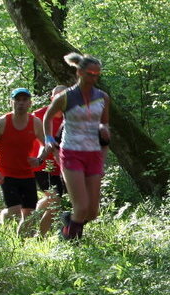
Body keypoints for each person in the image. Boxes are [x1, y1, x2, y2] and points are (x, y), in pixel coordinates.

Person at [49, 52, 112, 240]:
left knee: (92, 212)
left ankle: (69, 222)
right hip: (71, 153)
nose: (93, 77)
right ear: (79, 72)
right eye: (90, 73)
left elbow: (105, 124)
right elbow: (47, 117)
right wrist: (48, 139)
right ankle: (71, 243)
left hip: (93, 154)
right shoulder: (66, 97)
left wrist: (103, 129)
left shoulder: (103, 98)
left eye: (97, 74)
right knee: (81, 207)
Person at [0, 87, 51, 237]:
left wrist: (39, 159)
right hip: (6, 173)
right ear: (12, 102)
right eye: (17, 100)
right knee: (15, 211)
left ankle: (21, 243)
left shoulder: (35, 122)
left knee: (29, 214)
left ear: (30, 103)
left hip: (27, 174)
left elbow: (47, 145)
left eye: (24, 100)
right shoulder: (3, 122)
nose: (21, 103)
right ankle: (4, 216)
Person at [28, 86, 69, 237]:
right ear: (52, 99)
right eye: (57, 97)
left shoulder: (70, 117)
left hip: (62, 168)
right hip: (43, 165)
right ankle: (40, 237)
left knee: (51, 200)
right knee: (56, 202)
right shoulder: (39, 115)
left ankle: (28, 219)